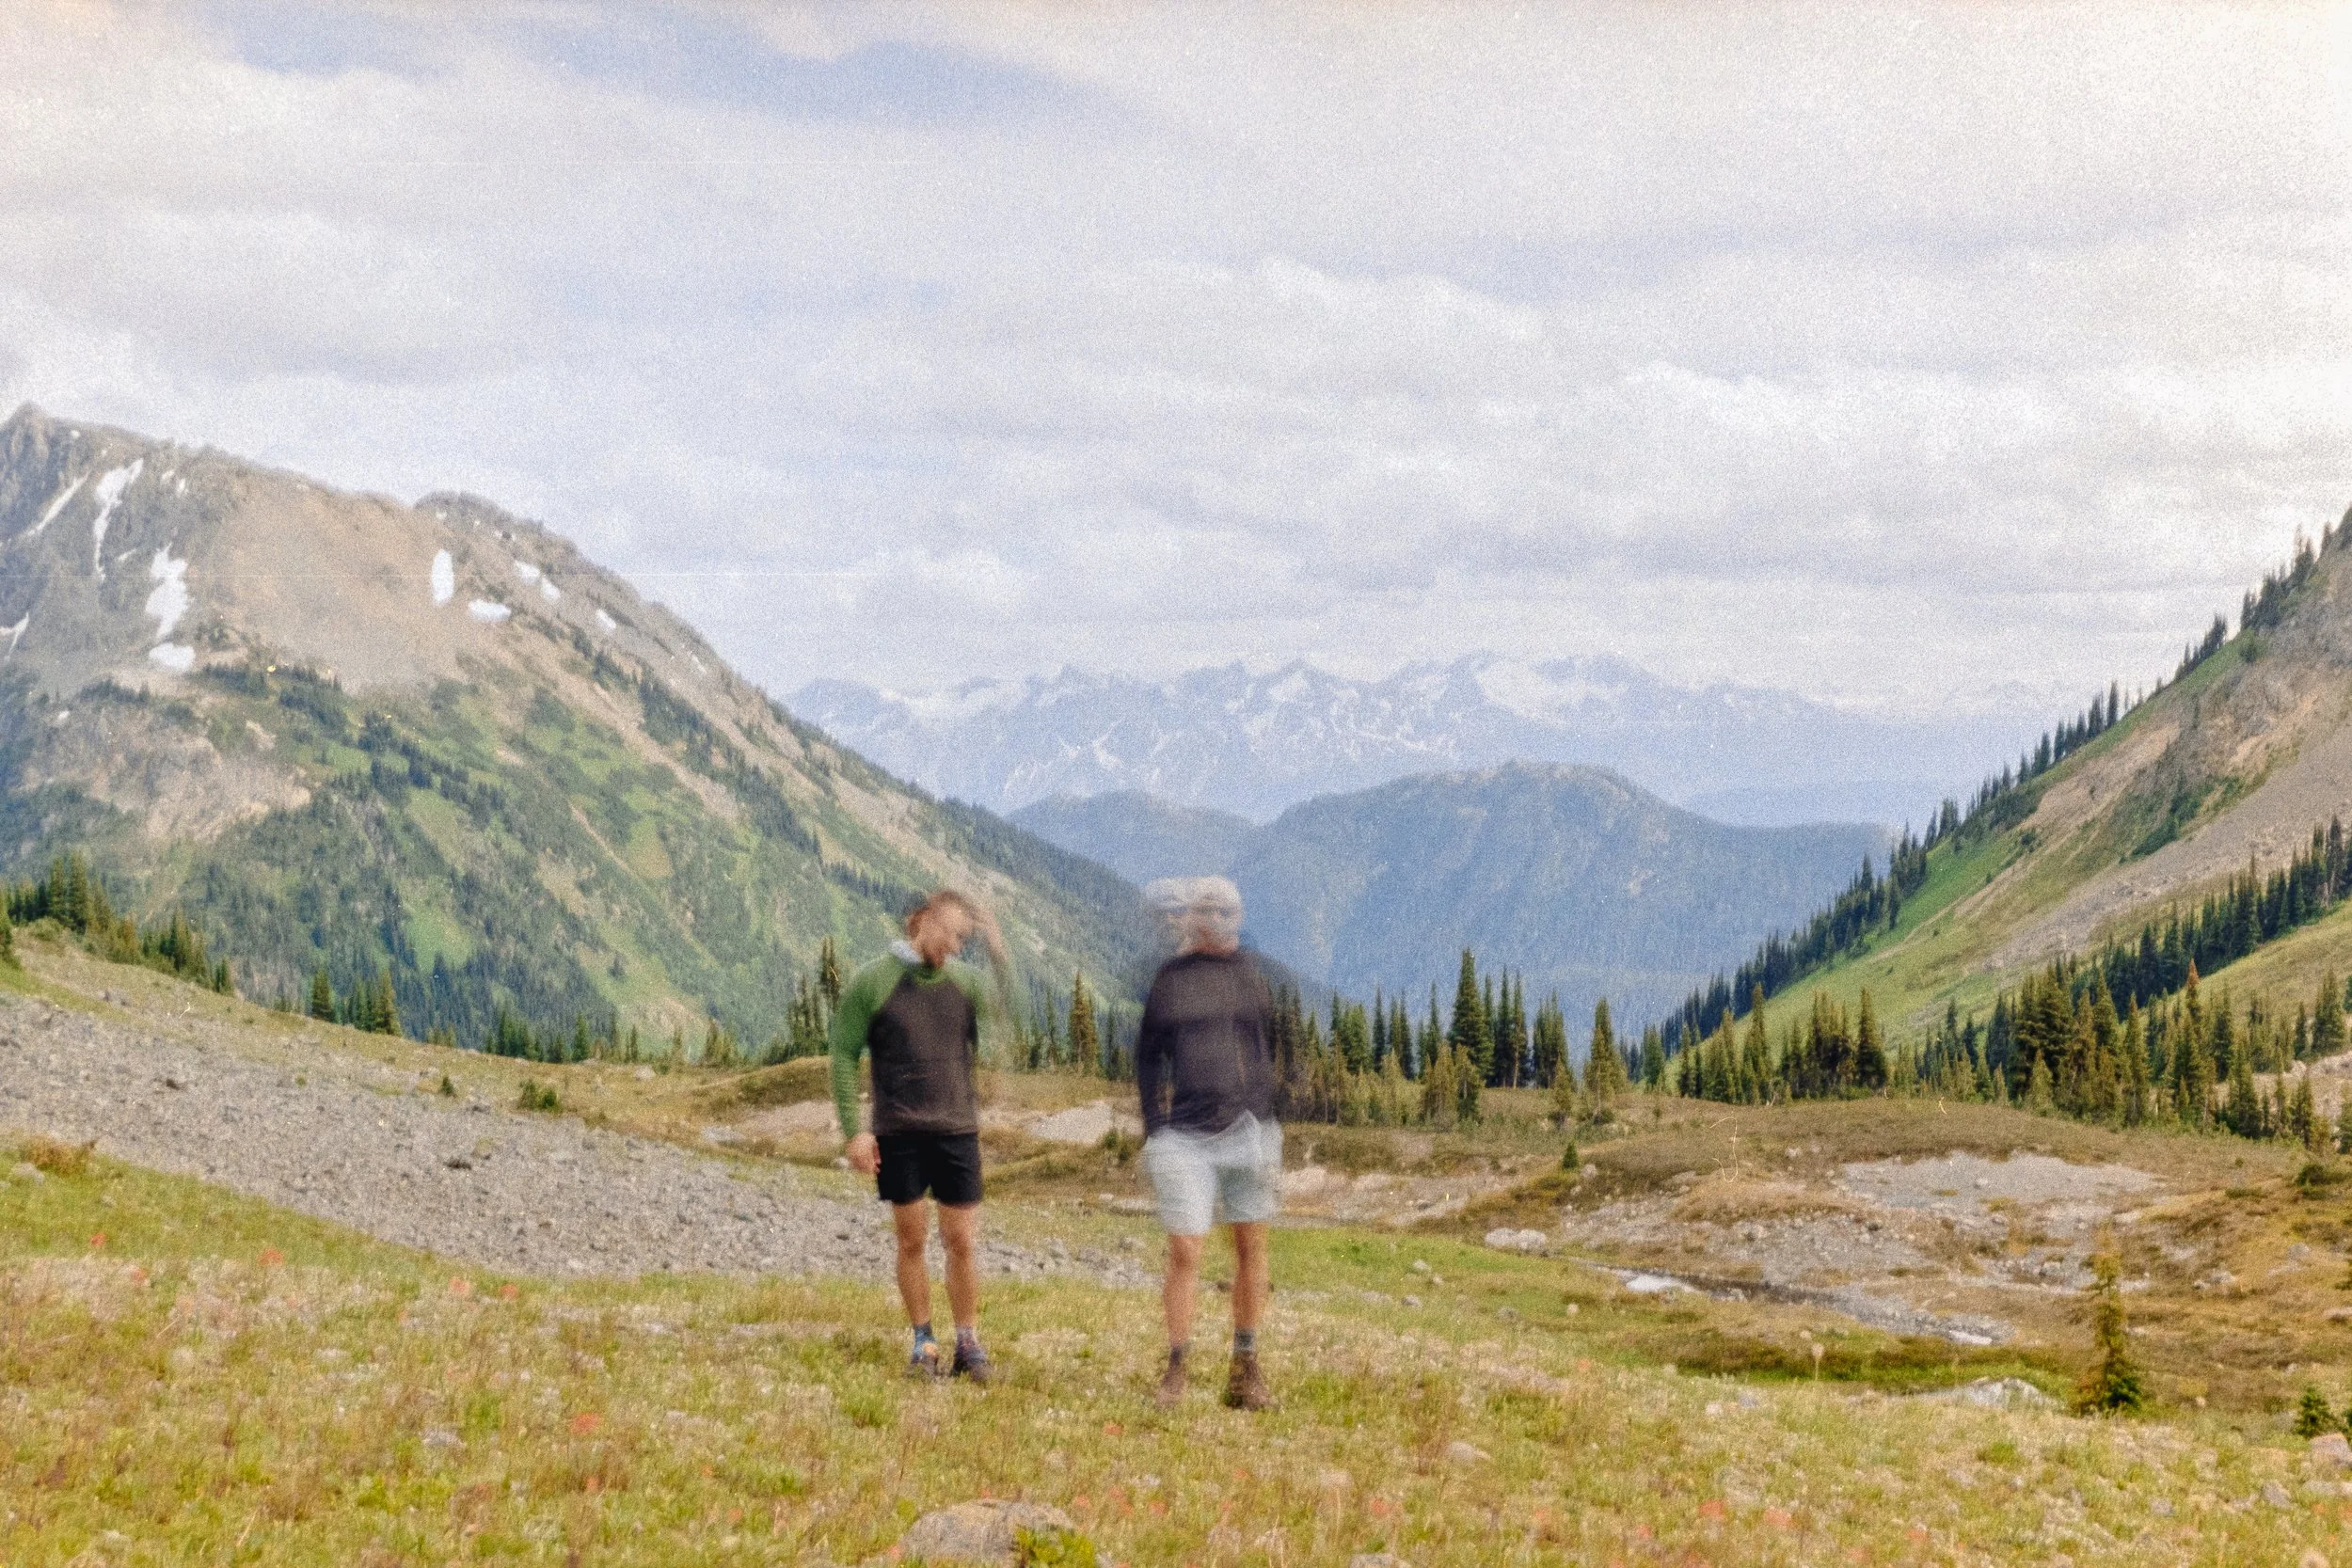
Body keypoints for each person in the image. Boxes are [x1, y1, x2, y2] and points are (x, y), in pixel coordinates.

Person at [832, 889, 1006, 1383]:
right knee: (912, 1240)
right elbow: (843, 1053)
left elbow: (1005, 1008)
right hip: (899, 1131)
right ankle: (922, 1341)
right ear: (923, 920)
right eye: (951, 933)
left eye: (963, 940)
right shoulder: (873, 981)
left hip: (957, 1129)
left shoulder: (966, 981)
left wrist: (998, 953)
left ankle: (968, 1342)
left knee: (963, 1241)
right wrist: (854, 1131)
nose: (954, 946)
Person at [1135, 876, 1279, 1411]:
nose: (1219, 919)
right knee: (1185, 1249)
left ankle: (1246, 1369)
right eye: (1210, 910)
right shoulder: (1170, 979)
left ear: (1239, 918)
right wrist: (1155, 1127)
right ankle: (1176, 1367)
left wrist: (1267, 1110)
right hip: (1185, 1137)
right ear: (1194, 917)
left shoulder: (1251, 975)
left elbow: (1270, 1044)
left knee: (1251, 1248)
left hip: (1251, 1131)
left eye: (1228, 911)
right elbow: (1148, 1057)